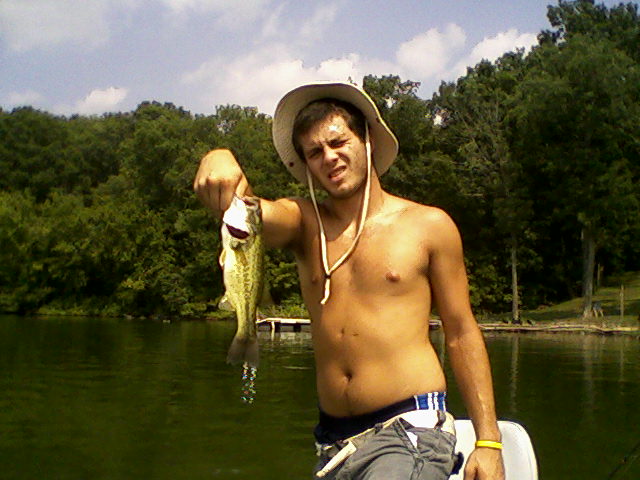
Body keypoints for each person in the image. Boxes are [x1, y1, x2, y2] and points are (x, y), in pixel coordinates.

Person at [194, 81, 505, 480]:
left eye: (339, 142)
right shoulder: (305, 224)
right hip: (333, 444)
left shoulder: (429, 225)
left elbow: (461, 333)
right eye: (314, 152)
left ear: (368, 141)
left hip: (410, 429)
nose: (329, 157)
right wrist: (218, 156)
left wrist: (488, 442)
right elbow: (250, 215)